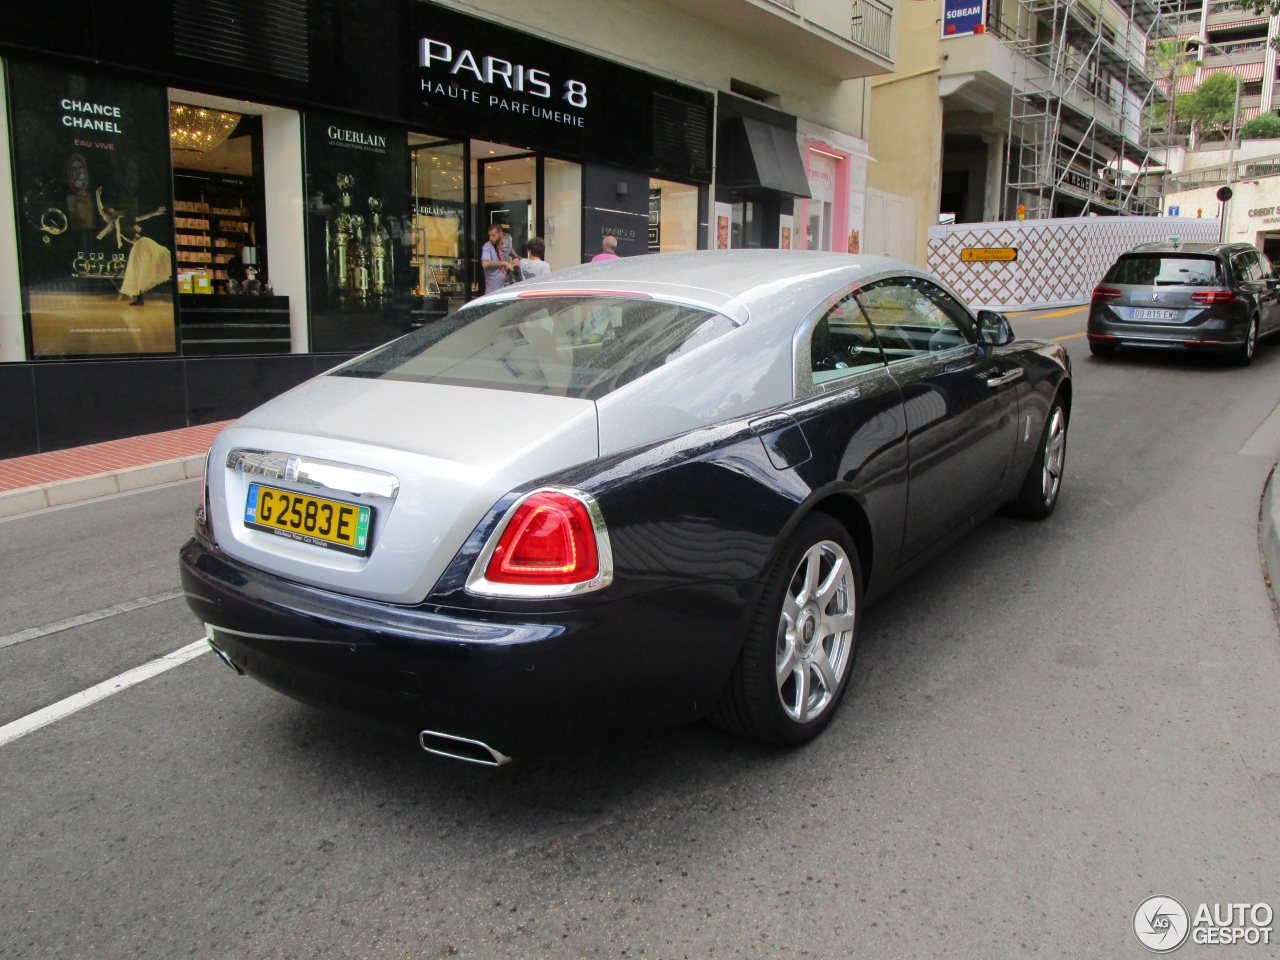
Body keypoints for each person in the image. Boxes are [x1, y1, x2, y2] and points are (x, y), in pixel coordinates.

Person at [480, 223, 511, 294]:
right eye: (489, 235)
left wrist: (517, 257)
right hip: (492, 293)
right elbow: (485, 263)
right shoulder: (487, 247)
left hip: (505, 290)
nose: (490, 238)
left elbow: (510, 250)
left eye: (493, 235)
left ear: (501, 234)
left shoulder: (506, 244)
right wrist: (504, 263)